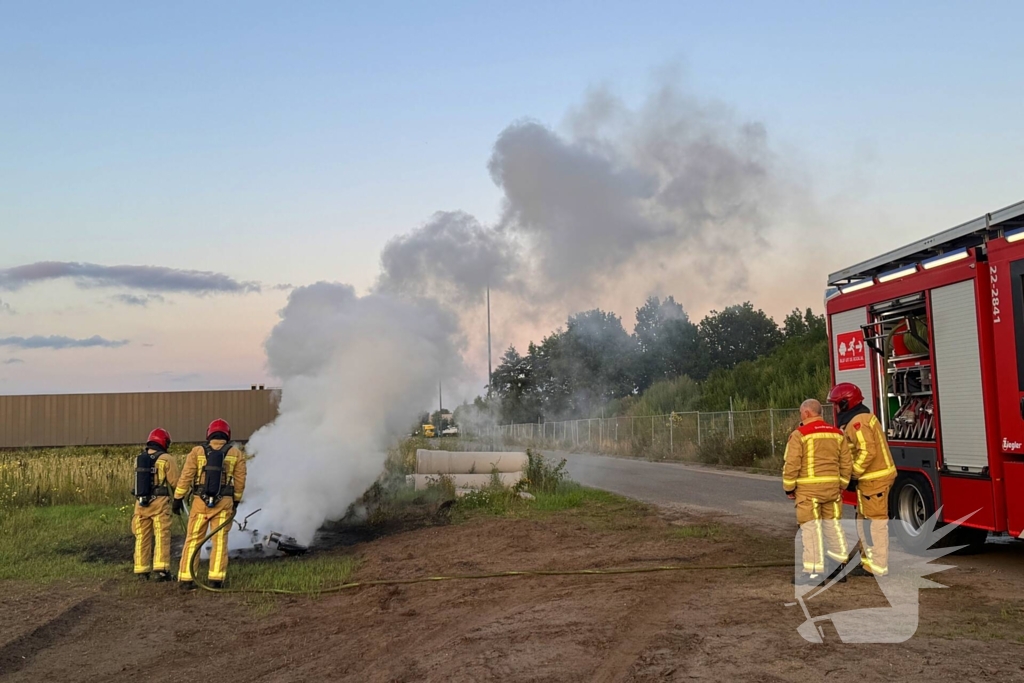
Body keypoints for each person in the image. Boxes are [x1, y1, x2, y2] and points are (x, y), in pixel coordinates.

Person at [829, 383, 897, 577]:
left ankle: (876, 566)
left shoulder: (858, 422)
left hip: (874, 480)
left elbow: (867, 452)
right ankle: (868, 563)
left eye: (836, 405)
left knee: (874, 524)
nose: (835, 409)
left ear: (845, 403)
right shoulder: (860, 419)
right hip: (870, 481)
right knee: (864, 521)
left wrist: (852, 474)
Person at [783, 398, 852, 585]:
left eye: (800, 413)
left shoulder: (800, 434)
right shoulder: (837, 434)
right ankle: (838, 569)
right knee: (833, 527)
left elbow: (792, 464)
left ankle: (813, 573)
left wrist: (789, 488)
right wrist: (842, 484)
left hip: (808, 491)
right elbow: (847, 463)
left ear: (806, 413)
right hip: (832, 490)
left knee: (810, 530)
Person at [172, 418, 246, 589]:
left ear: (209, 433)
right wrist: (236, 501)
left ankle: (186, 579)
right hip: (224, 503)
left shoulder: (197, 451)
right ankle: (216, 579)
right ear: (227, 434)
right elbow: (240, 481)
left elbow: (186, 476)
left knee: (193, 539)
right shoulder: (235, 454)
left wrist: (177, 498)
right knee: (219, 540)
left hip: (200, 502)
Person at [131, 428, 179, 581]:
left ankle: (141, 570)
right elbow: (176, 483)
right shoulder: (167, 459)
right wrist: (183, 496)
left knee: (142, 537)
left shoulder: (140, 458)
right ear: (164, 442)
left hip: (140, 504)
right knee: (161, 535)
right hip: (159, 504)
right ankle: (161, 570)